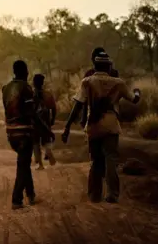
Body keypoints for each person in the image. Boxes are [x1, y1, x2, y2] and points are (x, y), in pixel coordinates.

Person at [61, 48, 141, 203]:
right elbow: (134, 100)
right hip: (111, 125)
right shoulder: (118, 83)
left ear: (95, 66)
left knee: (96, 160)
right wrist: (138, 92)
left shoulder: (87, 81)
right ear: (109, 66)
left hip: (93, 125)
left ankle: (94, 195)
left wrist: (67, 127)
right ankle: (112, 194)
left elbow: (78, 105)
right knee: (110, 158)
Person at [2, 60, 55, 210]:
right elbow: (33, 113)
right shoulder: (26, 88)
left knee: (24, 163)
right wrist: (47, 129)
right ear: (24, 71)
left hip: (10, 132)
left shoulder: (5, 89)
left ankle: (31, 195)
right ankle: (16, 199)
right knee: (23, 164)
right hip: (24, 132)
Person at [79, 52, 120, 128]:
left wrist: (83, 117)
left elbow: (84, 99)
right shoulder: (114, 74)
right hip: (110, 113)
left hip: (94, 115)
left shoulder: (88, 76)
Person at [32, 74, 57, 170]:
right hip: (46, 121)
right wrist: (52, 119)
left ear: (34, 83)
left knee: (35, 143)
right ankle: (50, 156)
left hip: (35, 123)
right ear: (42, 83)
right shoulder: (48, 94)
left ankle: (40, 164)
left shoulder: (31, 95)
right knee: (46, 141)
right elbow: (54, 108)